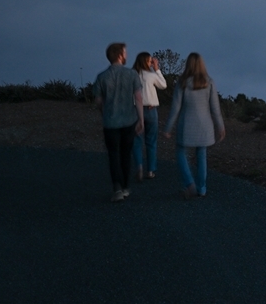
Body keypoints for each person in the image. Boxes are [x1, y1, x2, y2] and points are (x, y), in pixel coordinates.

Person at [164, 53, 225, 199]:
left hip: (186, 126)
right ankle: (202, 189)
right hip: (205, 126)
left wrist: (168, 127)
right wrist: (220, 127)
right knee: (201, 154)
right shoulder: (209, 82)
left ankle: (189, 183)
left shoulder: (182, 82)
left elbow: (175, 108)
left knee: (180, 153)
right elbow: (215, 109)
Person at [93, 42, 144, 202]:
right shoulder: (132, 75)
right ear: (120, 55)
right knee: (125, 154)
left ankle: (117, 187)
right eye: (125, 52)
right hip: (128, 120)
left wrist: (105, 113)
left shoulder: (102, 77)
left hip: (110, 122)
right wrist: (141, 119)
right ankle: (126, 186)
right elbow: (138, 98)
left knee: (113, 154)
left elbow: (98, 101)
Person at [130, 52, 167, 182]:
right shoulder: (151, 75)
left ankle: (139, 166)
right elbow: (163, 85)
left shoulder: (131, 75)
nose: (151, 63)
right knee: (151, 141)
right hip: (151, 110)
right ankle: (150, 170)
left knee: (137, 140)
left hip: (135, 110)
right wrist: (156, 69)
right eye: (150, 61)